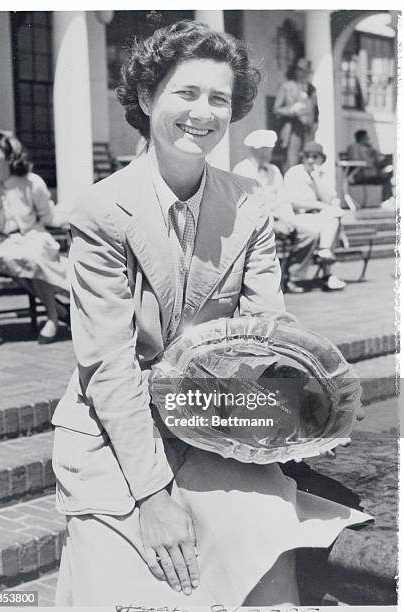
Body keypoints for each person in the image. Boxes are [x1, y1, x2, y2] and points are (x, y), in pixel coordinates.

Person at [51, 21, 370, 606]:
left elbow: (271, 335)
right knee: (127, 586)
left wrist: (296, 404)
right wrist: (152, 499)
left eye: (219, 99)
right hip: (115, 437)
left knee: (264, 551)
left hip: (217, 424)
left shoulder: (249, 205)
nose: (203, 112)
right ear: (147, 99)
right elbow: (110, 367)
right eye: (186, 93)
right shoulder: (101, 212)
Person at [0, 128, 69, 343]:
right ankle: (55, 311)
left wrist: (70, 220)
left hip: (33, 236)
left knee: (33, 255)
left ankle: (53, 317)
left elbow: (47, 216)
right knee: (11, 256)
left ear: (9, 156)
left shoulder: (31, 182)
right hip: (2, 240)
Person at [233, 129, 318, 293]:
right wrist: (272, 223)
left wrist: (288, 220)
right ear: (255, 150)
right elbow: (248, 206)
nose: (269, 152)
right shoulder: (242, 170)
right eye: (265, 149)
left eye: (269, 149)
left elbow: (283, 199)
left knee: (309, 235)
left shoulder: (274, 170)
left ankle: (294, 277)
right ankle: (261, 281)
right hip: (255, 222)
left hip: (279, 220)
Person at [282, 141, 347, 291]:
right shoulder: (294, 173)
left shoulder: (323, 175)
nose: (311, 160)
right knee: (331, 223)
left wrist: (317, 179)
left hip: (320, 218)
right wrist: (320, 205)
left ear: (321, 159)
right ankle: (327, 274)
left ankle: (325, 254)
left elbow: (331, 199)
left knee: (334, 217)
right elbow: (293, 202)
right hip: (301, 217)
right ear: (302, 158)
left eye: (315, 157)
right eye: (307, 157)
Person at [273, 58, 319, 172]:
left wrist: (315, 125)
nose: (304, 74)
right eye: (301, 71)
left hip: (308, 133)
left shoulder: (312, 89)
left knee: (308, 164)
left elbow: (316, 111)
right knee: (291, 165)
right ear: (296, 72)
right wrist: (291, 110)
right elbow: (276, 109)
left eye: (307, 72)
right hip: (293, 131)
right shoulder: (287, 87)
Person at [346, 129, 393, 199]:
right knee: (385, 177)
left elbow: (379, 159)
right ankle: (386, 199)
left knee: (389, 172)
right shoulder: (353, 147)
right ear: (362, 137)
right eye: (366, 137)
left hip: (372, 172)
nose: (368, 139)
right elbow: (355, 161)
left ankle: (387, 198)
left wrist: (375, 154)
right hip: (361, 174)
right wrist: (371, 159)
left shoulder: (368, 148)